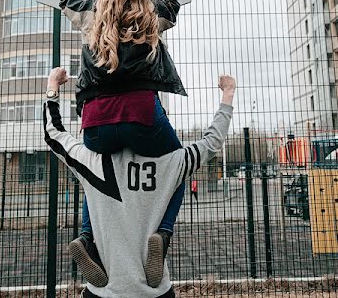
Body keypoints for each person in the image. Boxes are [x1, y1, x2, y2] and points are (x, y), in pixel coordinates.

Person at [59, 0, 198, 287]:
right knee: (180, 167)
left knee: (97, 177)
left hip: (95, 123)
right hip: (141, 116)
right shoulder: (152, 19)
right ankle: (161, 235)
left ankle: (88, 239)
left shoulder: (92, 18)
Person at [43, 67, 235, 298]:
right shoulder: (171, 163)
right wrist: (228, 94)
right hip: (154, 292)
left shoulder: (91, 162)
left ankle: (87, 238)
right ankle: (164, 232)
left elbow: (53, 133)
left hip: (103, 292)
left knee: (90, 187)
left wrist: (53, 86)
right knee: (180, 178)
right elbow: (212, 143)